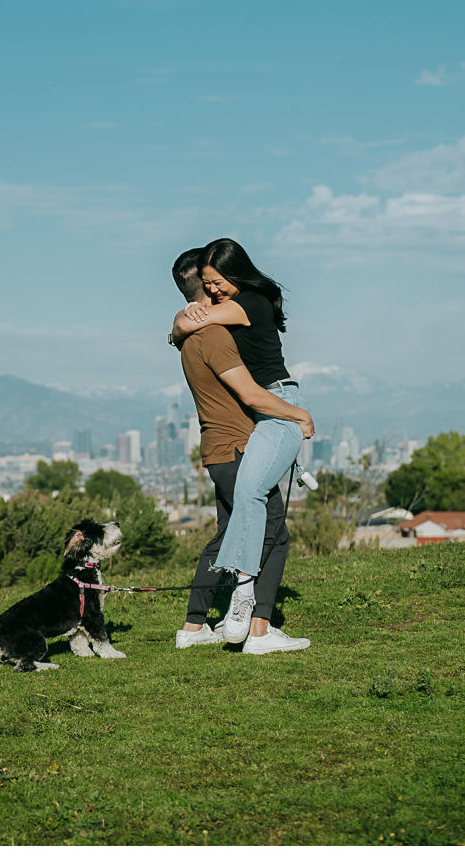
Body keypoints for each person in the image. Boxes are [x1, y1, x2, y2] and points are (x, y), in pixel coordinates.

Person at [170, 248, 313, 654]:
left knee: (228, 533)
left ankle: (195, 625)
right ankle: (258, 629)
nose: (219, 289)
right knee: (273, 534)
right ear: (208, 287)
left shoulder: (193, 332)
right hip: (235, 445)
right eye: (212, 282)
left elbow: (178, 326)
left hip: (219, 446)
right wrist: (299, 415)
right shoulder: (212, 335)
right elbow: (251, 393)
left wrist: (180, 319)